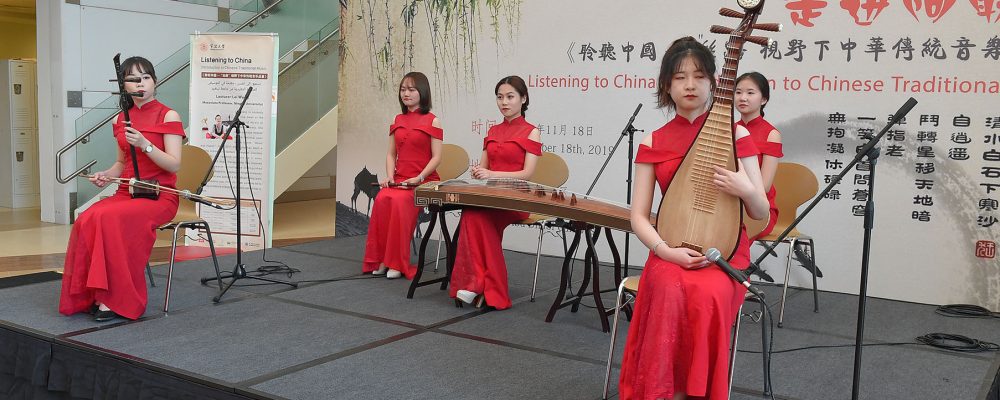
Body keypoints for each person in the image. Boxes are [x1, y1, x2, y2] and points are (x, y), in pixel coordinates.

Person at [618, 37, 769, 400]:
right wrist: (664, 251)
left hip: (724, 253)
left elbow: (760, 214)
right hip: (670, 247)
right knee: (669, 287)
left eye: (699, 76)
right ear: (666, 86)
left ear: (715, 83)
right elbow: (638, 215)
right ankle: (660, 391)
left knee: (708, 293)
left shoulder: (737, 133)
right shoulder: (655, 138)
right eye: (679, 77)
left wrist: (745, 189)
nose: (689, 85)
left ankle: (695, 392)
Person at [59, 56, 185, 322]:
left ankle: (118, 300)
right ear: (123, 86)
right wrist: (105, 175)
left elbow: (173, 165)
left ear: (155, 81)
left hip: (158, 195)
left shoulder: (168, 114)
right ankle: (95, 294)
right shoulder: (121, 118)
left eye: (146, 77)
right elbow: (121, 163)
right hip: (126, 192)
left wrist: (145, 144)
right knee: (87, 218)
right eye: (133, 79)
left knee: (109, 218)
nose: (141, 83)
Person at [449, 75, 541, 310]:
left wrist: (492, 175)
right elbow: (485, 168)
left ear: (523, 98)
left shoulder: (532, 132)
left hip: (516, 198)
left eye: (510, 97)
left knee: (477, 218)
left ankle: (478, 284)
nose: (504, 102)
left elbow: (527, 174)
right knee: (472, 215)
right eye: (500, 97)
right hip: (491, 196)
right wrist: (480, 172)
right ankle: (480, 284)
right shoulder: (492, 130)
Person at [362, 72, 443, 280]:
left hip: (424, 180)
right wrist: (389, 177)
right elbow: (391, 154)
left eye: (411, 89)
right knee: (382, 198)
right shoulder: (397, 119)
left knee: (398, 202)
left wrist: (418, 178)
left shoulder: (433, 121)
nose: (406, 94)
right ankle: (381, 259)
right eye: (403, 89)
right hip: (399, 180)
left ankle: (397, 262)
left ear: (422, 92)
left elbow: (436, 158)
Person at [735, 72, 783, 240]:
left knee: (732, 235)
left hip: (759, 209)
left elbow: (764, 186)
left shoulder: (771, 134)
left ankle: (734, 266)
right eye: (738, 92)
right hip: (729, 204)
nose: (742, 98)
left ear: (764, 99)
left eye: (750, 93)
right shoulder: (729, 130)